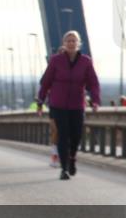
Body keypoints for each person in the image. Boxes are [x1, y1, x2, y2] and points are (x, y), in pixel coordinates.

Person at [36, 30, 101, 180]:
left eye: (74, 41)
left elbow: (93, 83)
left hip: (77, 105)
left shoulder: (86, 61)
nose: (71, 43)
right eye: (68, 41)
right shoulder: (56, 60)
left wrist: (95, 100)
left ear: (78, 44)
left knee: (76, 136)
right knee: (63, 136)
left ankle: (72, 158)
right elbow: (46, 82)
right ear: (64, 44)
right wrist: (40, 101)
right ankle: (64, 168)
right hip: (58, 104)